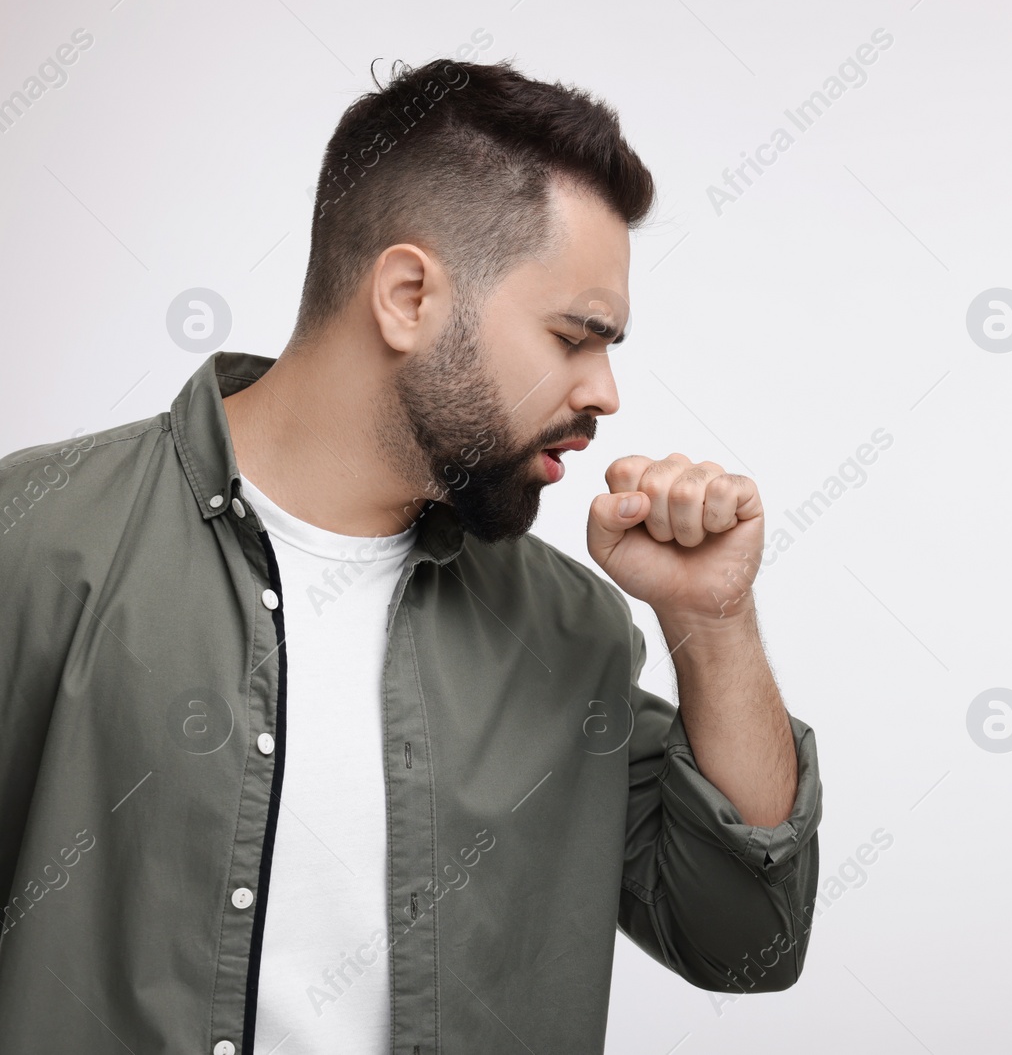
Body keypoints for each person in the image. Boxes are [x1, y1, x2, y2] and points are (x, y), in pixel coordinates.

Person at [0, 58, 822, 1055]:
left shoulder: (570, 633)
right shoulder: (36, 539)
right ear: (407, 295)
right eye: (576, 335)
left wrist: (710, 620)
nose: (605, 391)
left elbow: (744, 943)